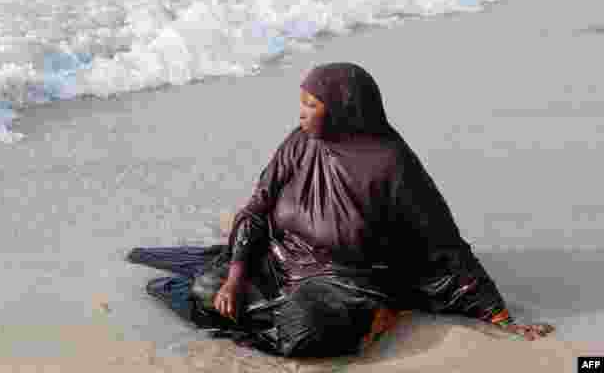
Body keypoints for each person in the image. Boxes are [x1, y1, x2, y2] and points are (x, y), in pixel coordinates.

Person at [127, 63, 555, 358]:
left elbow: (443, 246)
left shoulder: (391, 163)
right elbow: (257, 208)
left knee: (304, 332)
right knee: (206, 290)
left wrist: (499, 316)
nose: (301, 113)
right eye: (302, 102)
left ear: (344, 108)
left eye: (311, 104)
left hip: (347, 280)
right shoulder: (298, 142)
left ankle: (378, 315)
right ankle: (278, 305)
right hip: (281, 260)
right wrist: (237, 275)